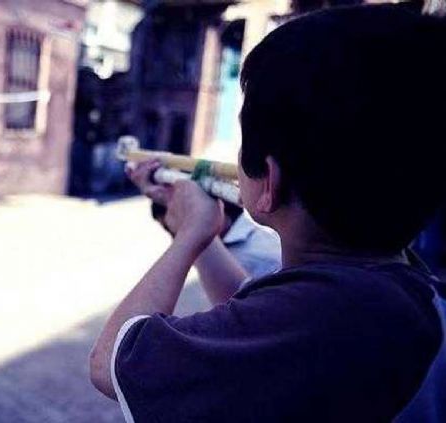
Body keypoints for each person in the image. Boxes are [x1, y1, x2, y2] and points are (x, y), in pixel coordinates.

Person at [90, 5, 446, 422]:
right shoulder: (396, 288)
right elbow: (252, 313)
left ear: (270, 181)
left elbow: (111, 363)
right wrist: (201, 232)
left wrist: (187, 239)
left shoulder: (326, 318)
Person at [127, 159, 281, 284]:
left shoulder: (262, 255)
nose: (176, 236)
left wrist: (192, 229)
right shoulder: (218, 250)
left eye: (174, 228)